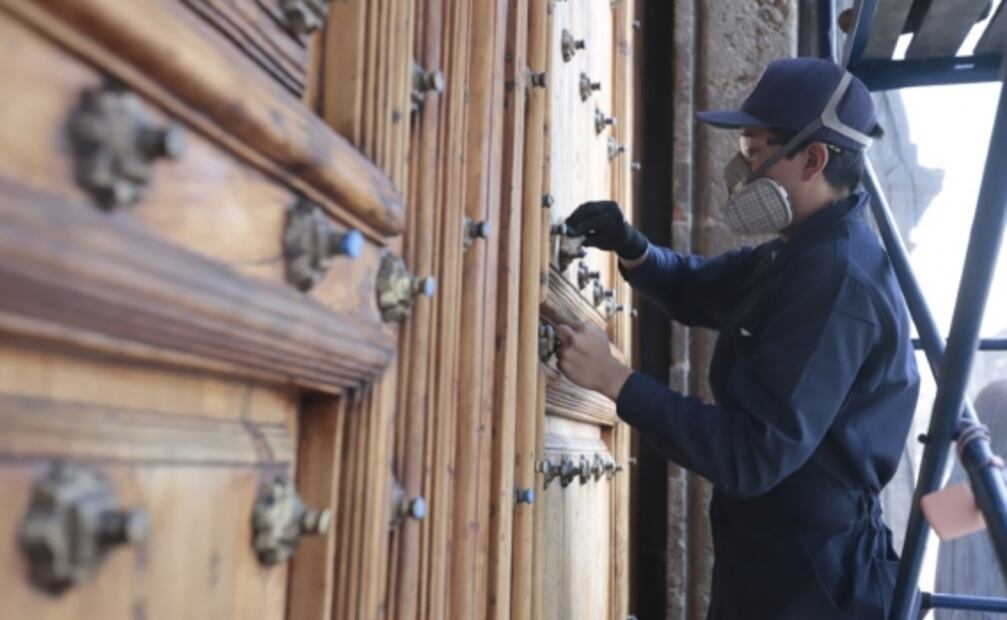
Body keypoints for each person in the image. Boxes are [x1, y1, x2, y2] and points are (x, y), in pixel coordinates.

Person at [556, 57, 921, 619]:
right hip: (774, 555)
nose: (741, 170)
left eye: (754, 153)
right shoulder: (805, 245)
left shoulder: (838, 282)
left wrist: (614, 380)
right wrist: (634, 247)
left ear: (813, 159)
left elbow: (753, 454)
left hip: (812, 585)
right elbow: (707, 285)